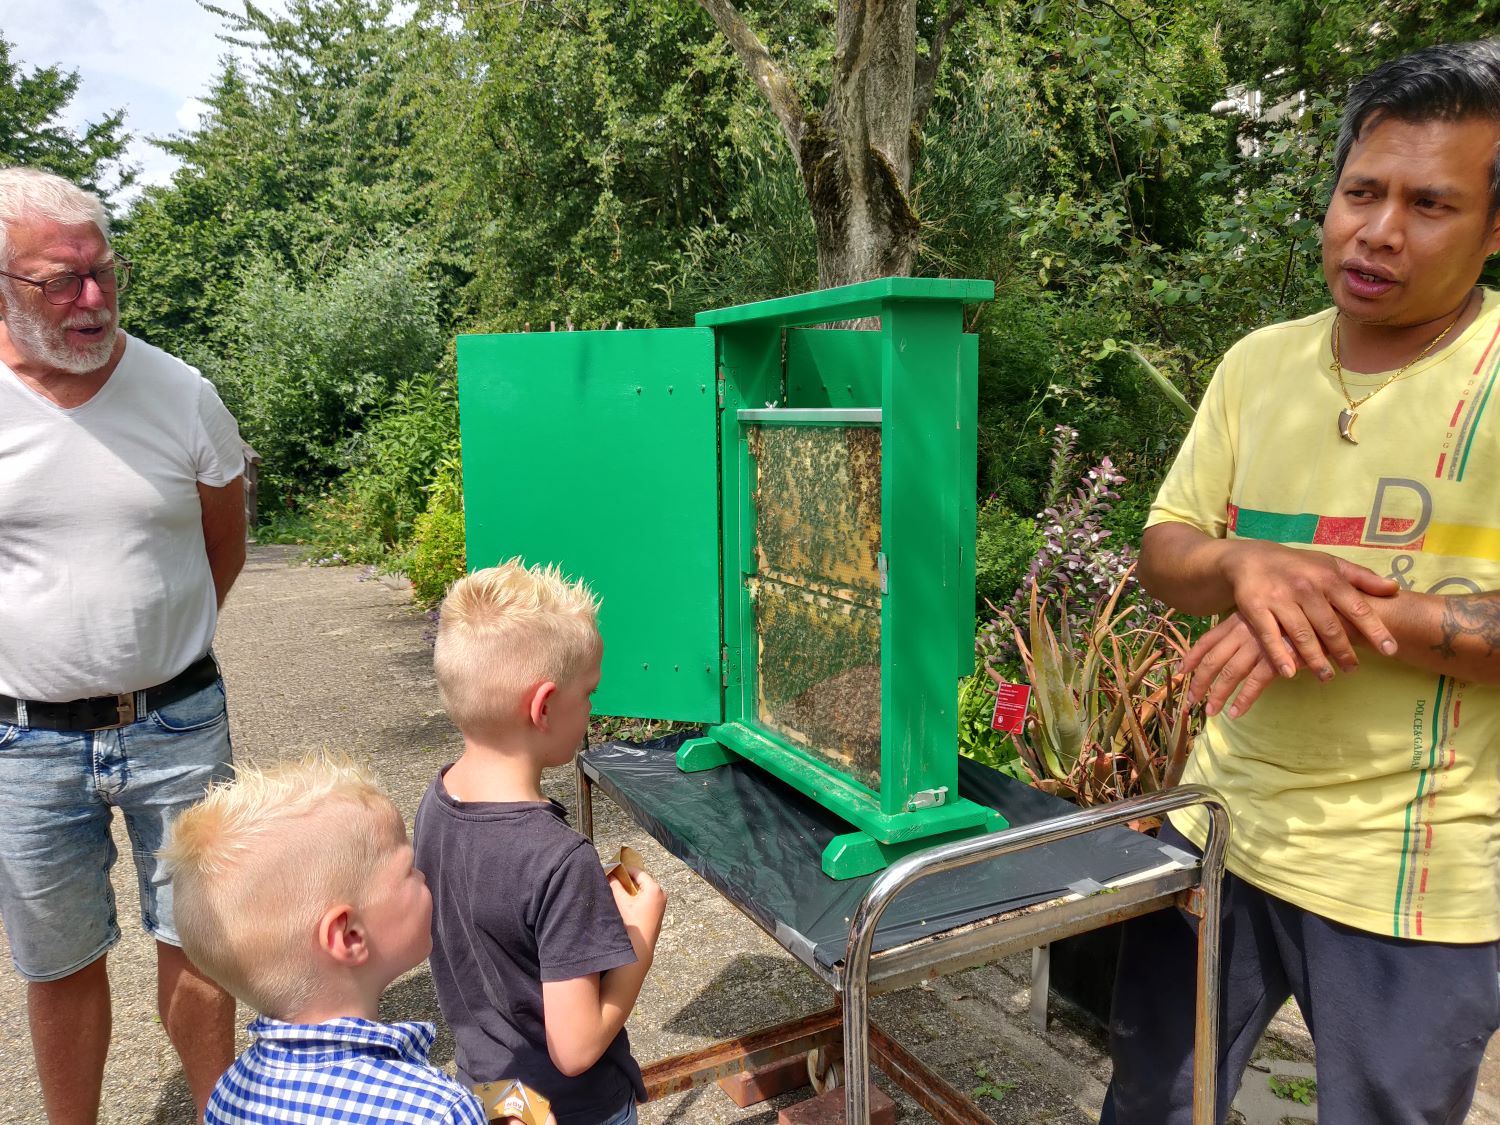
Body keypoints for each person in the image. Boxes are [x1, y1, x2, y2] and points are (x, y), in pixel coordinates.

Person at [1102, 39, 1500, 1125]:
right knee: (1151, 1104)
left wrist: (1331, 609)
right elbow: (1167, 546)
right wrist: (1241, 562)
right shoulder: (1259, 363)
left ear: (1494, 227)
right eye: (1360, 191)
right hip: (1216, 829)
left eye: (1431, 204)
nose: (1378, 230)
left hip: (1413, 884)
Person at [0, 166, 245, 1122]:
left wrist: (159, 642)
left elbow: (223, 539)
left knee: (200, 940)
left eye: (103, 272)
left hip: (176, 720)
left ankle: (218, 1109)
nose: (92, 299)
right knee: (57, 962)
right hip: (24, 743)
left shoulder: (180, 392)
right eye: (59, 280)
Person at [415, 560, 667, 1125]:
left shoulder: (435, 805)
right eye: (589, 694)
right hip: (574, 1110)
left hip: (490, 1096)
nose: (593, 710)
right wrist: (639, 934)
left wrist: (585, 921)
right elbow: (575, 1049)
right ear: (545, 706)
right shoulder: (560, 860)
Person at [160, 756, 492, 1125]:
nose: (423, 875)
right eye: (408, 869)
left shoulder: (229, 1093)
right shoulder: (438, 1110)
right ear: (349, 935)